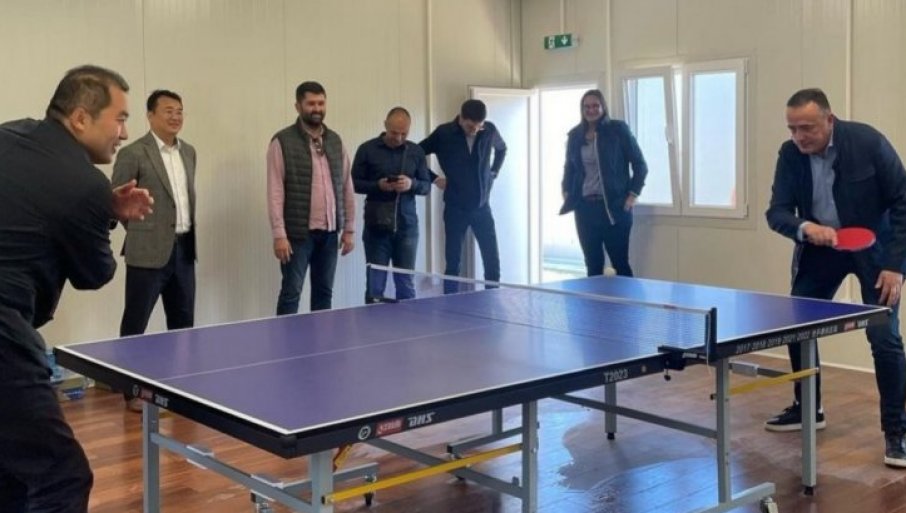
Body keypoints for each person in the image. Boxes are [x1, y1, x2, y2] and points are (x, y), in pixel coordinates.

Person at [0, 65, 153, 512]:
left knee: (11, 470)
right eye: (119, 118)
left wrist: (98, 208)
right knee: (62, 478)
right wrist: (108, 213)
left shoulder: (10, 133)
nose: (124, 133)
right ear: (81, 118)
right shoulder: (85, 183)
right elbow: (94, 274)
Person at [765, 87, 906, 468]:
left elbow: (903, 200)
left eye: (807, 127)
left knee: (884, 336)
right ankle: (808, 408)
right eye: (793, 128)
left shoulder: (868, 142)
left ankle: (897, 432)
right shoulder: (789, 155)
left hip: (874, 249)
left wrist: (896, 265)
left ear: (829, 120)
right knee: (797, 326)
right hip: (820, 249)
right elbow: (777, 212)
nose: (799, 136)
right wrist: (805, 227)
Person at [111, 89, 197, 411]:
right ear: (150, 116)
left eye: (179, 111)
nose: (176, 116)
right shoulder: (133, 153)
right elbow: (118, 203)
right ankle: (131, 392)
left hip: (184, 249)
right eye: (168, 111)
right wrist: (142, 233)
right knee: (136, 324)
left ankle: (181, 388)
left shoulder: (189, 152)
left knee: (183, 323)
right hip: (146, 252)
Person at [268, 81, 355, 314]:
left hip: (329, 233)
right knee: (291, 293)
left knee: (324, 293)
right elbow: (275, 191)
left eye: (321, 103)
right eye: (311, 104)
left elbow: (347, 186)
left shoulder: (335, 141)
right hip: (297, 235)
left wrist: (349, 229)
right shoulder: (282, 141)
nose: (317, 108)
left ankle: (322, 337)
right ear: (298, 106)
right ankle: (286, 338)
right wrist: (279, 234)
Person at [420, 99, 506, 293]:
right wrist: (434, 178)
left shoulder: (489, 130)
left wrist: (493, 173)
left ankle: (493, 298)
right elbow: (416, 154)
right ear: (461, 118)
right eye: (470, 126)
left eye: (478, 126)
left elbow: (502, 149)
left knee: (492, 260)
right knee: (453, 262)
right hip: (455, 207)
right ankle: (450, 301)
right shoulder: (443, 133)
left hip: (482, 206)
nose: (474, 130)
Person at [559, 89, 647, 277]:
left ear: (603, 107)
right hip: (585, 209)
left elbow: (640, 165)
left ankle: (626, 298)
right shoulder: (575, 135)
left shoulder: (618, 130)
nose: (591, 110)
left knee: (620, 264)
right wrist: (566, 190)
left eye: (595, 106)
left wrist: (632, 195)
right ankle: (594, 298)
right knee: (593, 265)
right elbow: (569, 168)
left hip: (615, 208)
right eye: (587, 107)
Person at [352, 107, 431, 302]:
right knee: (375, 287)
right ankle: (372, 322)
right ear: (385, 126)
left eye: (404, 133)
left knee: (406, 285)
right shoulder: (367, 149)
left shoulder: (416, 151)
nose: (399, 138)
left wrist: (411, 184)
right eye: (394, 133)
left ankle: (408, 322)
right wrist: (378, 185)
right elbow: (353, 183)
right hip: (376, 228)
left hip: (407, 228)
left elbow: (426, 186)